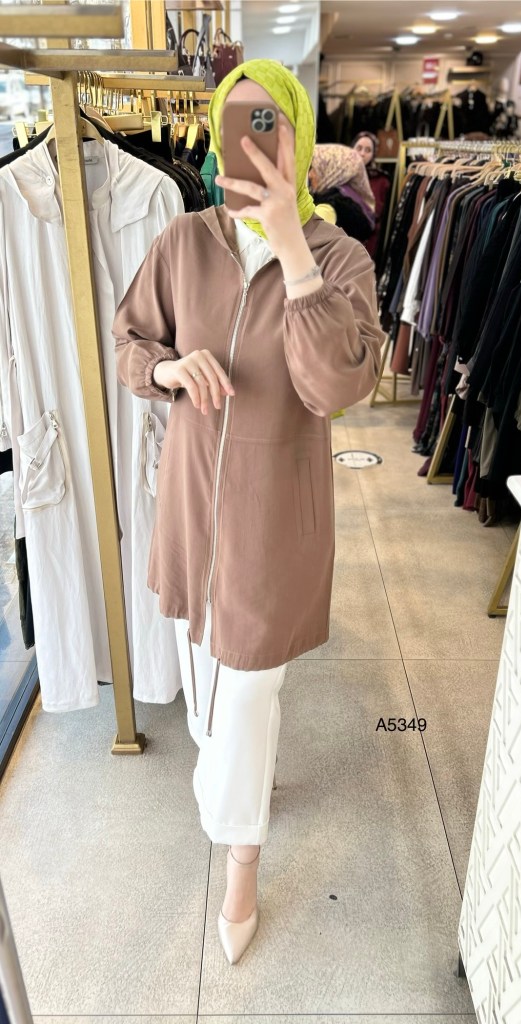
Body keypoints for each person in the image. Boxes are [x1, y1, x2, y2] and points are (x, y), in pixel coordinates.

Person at [111, 59, 382, 966]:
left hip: (276, 522)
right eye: (241, 120)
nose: (256, 140)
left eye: (274, 122)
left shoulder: (340, 258)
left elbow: (334, 385)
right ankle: (239, 772)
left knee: (251, 685)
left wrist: (294, 252)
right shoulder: (184, 241)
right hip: (191, 507)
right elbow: (129, 337)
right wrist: (165, 368)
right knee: (209, 692)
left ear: (300, 137)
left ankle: (240, 863)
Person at [308, 143, 375, 245]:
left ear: (329, 168)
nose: (310, 175)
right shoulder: (351, 195)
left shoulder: (332, 203)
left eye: (313, 168)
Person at [352, 131, 391, 260]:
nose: (362, 153)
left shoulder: (381, 181)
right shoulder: (340, 176)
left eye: (368, 150)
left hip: (367, 241)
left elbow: (379, 214)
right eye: (359, 148)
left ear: (373, 154)